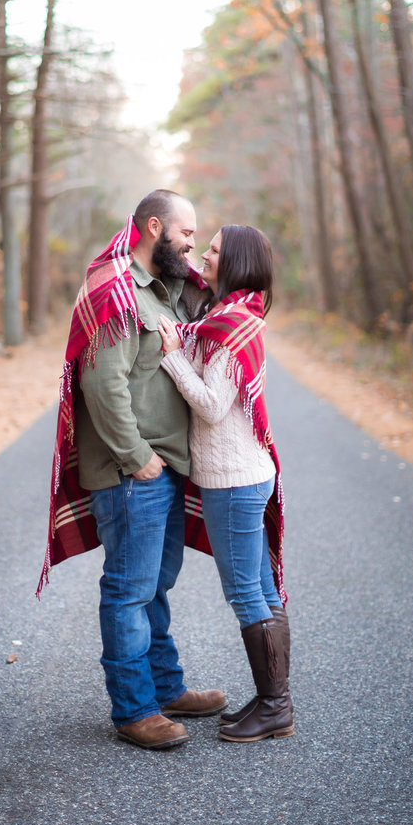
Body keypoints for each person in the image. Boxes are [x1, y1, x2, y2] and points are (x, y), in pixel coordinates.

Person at [37, 190, 226, 750]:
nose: (192, 244)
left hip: (165, 466)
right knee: (129, 589)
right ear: (153, 227)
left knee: (156, 585)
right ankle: (133, 710)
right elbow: (102, 385)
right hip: (132, 472)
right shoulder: (117, 293)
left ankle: (166, 688)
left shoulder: (165, 292)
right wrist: (136, 457)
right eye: (186, 233)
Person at [157, 224, 294, 743]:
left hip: (233, 480)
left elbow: (213, 407)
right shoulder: (234, 312)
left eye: (214, 249)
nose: (205, 255)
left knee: (246, 594)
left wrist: (172, 355)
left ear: (234, 260)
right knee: (260, 590)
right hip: (245, 474)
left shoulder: (230, 324)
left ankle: (275, 707)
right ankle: (271, 702)